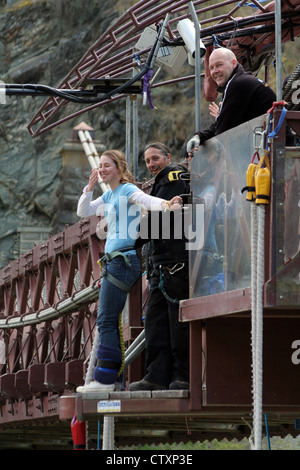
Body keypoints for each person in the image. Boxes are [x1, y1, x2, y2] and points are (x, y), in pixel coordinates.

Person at [76, 149, 182, 393]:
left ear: (119, 168)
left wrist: (167, 204)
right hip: (115, 261)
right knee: (108, 320)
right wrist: (89, 187)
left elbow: (147, 201)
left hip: (122, 261)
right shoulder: (110, 195)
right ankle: (109, 379)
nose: (102, 169)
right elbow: (84, 211)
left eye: (107, 165)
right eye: (100, 166)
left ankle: (105, 381)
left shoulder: (126, 190)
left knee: (105, 320)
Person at [129, 142, 191, 391]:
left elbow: (169, 217)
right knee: (156, 323)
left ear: (168, 157)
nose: (152, 164)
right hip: (160, 265)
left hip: (175, 263)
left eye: (155, 159)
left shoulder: (173, 177)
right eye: (147, 161)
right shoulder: (162, 182)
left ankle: (181, 376)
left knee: (176, 325)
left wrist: (131, 237)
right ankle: (156, 376)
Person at [186, 47, 281, 156]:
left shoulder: (237, 84)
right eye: (211, 68)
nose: (214, 71)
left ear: (234, 63)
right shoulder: (239, 81)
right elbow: (223, 124)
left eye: (219, 65)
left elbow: (222, 132)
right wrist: (199, 136)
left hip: (276, 152)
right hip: (272, 148)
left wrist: (219, 119)